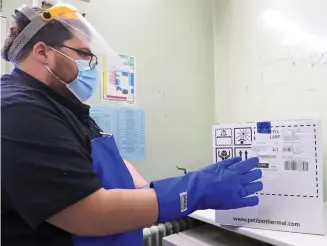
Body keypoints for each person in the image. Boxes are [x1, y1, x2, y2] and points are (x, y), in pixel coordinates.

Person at [1, 3, 263, 246]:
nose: (90, 65)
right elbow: (87, 214)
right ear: (42, 52)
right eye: (82, 54)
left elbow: (119, 170)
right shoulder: (17, 109)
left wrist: (176, 186)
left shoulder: (65, 106)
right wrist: (194, 190)